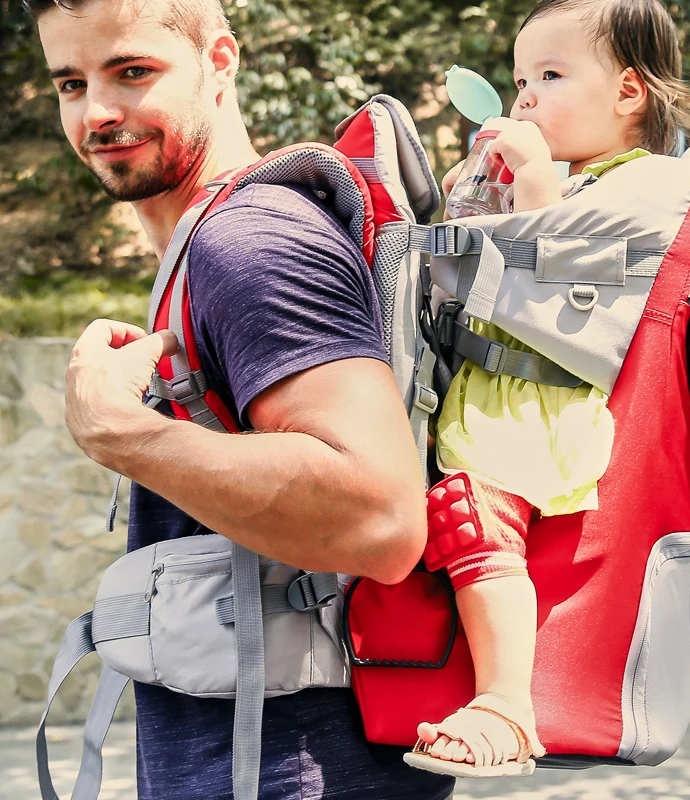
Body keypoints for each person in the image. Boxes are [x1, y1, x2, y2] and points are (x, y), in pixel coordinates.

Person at [26, 0, 456, 798]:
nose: (98, 112)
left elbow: (383, 521)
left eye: (132, 72)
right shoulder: (210, 240)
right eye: (70, 83)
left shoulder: (250, 242)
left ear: (219, 62)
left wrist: (118, 433)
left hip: (292, 769)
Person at [404, 0, 690, 778]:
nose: (525, 95)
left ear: (628, 92)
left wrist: (533, 185)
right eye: (516, 79)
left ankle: (507, 707)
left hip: (541, 410)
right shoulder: (579, 178)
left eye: (549, 75)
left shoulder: (644, 186)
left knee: (474, 524)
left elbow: (554, 279)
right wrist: (476, 195)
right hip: (488, 396)